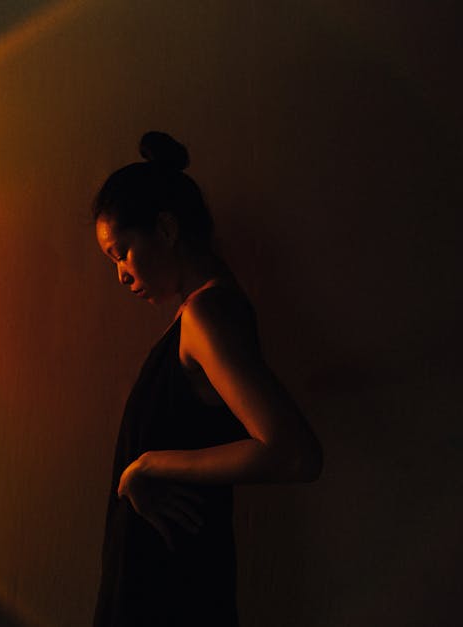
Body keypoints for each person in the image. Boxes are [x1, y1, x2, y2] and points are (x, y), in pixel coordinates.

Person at [91, 132, 323, 626]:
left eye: (122, 252)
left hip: (171, 590)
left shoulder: (206, 316)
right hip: (166, 580)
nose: (121, 275)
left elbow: (293, 453)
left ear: (166, 228)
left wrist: (151, 465)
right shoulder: (200, 315)